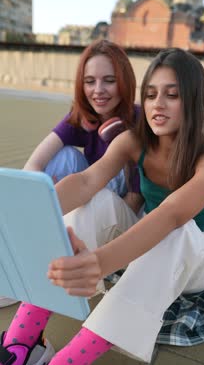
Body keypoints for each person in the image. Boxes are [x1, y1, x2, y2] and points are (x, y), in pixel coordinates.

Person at [0, 48, 204, 365]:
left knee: (177, 230)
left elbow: (174, 214)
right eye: (153, 93)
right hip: (142, 246)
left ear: (193, 100)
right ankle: (23, 344)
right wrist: (22, 219)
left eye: (172, 95)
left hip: (194, 260)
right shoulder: (133, 141)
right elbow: (87, 181)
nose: (158, 104)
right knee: (96, 203)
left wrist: (100, 263)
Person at [0, 39, 143, 309]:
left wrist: (77, 210)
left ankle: (37, 269)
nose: (98, 90)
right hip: (87, 193)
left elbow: (135, 199)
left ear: (124, 82)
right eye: (90, 81)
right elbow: (35, 164)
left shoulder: (138, 122)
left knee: (98, 193)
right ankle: (19, 245)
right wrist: (41, 198)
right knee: (64, 156)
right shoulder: (83, 115)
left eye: (109, 80)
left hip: (121, 218)